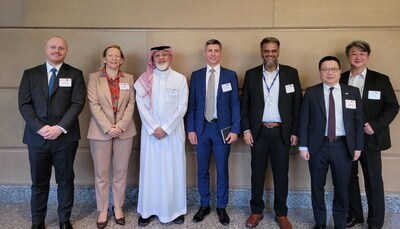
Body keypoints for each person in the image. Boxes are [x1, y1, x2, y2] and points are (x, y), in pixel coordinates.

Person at [18, 36, 86, 229]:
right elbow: (24, 104)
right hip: (36, 137)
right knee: (39, 182)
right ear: (46, 49)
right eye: (53, 47)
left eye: (61, 48)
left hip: (65, 137)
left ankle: (64, 220)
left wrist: (60, 128)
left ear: (66, 50)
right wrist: (40, 128)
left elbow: (77, 103)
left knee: (65, 180)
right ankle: (37, 221)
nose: (57, 50)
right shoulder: (30, 74)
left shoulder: (75, 74)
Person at [241, 37, 302, 229]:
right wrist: (247, 129)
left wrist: (294, 131)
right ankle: (256, 211)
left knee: (281, 175)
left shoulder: (291, 74)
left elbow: (297, 106)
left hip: (281, 132)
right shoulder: (251, 75)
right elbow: (245, 106)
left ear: (278, 52)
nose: (270, 54)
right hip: (258, 132)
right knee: (257, 174)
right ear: (261, 52)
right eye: (266, 51)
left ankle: (281, 213)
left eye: (273, 51)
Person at [298, 56, 364, 229]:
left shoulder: (352, 92)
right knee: (317, 186)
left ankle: (340, 223)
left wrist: (358, 147)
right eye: (325, 69)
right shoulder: (312, 92)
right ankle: (320, 222)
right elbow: (303, 120)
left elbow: (358, 122)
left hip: (343, 147)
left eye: (333, 69)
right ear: (320, 72)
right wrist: (303, 146)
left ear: (340, 71)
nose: (329, 73)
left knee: (342, 187)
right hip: (316, 147)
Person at [340, 40, 399, 229]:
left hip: (371, 137)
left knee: (374, 180)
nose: (358, 57)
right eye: (354, 53)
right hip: (346, 139)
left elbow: (392, 106)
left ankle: (375, 222)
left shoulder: (380, 79)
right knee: (349, 178)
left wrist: (375, 125)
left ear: (368, 56)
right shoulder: (340, 79)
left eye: (362, 54)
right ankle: (355, 214)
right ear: (348, 56)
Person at [186, 39, 241, 226]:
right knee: (202, 170)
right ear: (205, 53)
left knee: (222, 170)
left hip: (222, 130)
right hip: (201, 129)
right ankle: (204, 204)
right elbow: (192, 105)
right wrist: (191, 129)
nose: (213, 54)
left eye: (216, 50)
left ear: (221, 53)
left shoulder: (230, 75)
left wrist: (235, 129)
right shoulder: (196, 76)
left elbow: (235, 104)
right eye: (209, 50)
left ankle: (222, 207)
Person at [134, 45, 188, 226]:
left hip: (172, 134)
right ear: (152, 59)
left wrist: (165, 128)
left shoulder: (180, 79)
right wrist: (154, 128)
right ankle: (147, 211)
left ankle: (176, 211)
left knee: (174, 172)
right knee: (151, 173)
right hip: (151, 136)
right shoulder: (144, 80)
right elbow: (140, 105)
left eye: (164, 55)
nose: (161, 58)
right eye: (157, 55)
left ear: (171, 57)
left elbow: (182, 107)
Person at [87, 45, 137, 229]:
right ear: (104, 59)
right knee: (101, 174)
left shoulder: (129, 78)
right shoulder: (94, 78)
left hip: (125, 132)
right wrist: (109, 128)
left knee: (120, 173)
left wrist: (120, 126)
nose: (114, 58)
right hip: (100, 132)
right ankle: (102, 209)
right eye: (110, 55)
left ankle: (118, 207)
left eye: (117, 55)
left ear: (122, 59)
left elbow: (132, 103)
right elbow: (93, 104)